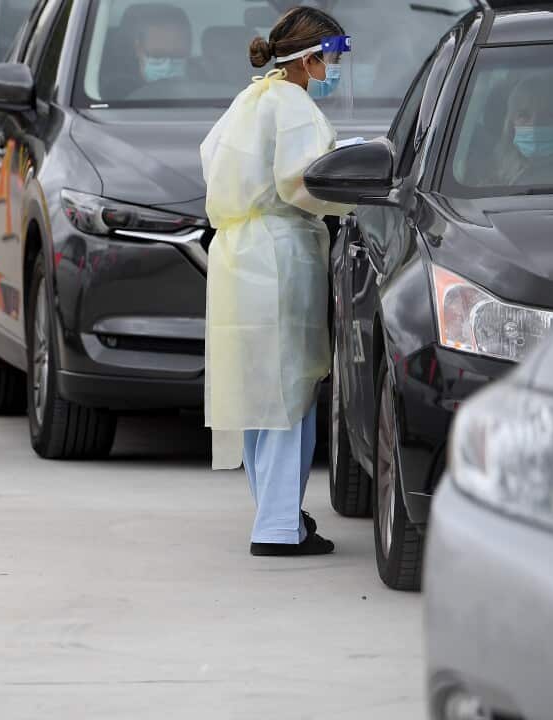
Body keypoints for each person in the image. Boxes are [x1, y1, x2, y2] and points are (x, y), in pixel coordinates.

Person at [199, 6, 354, 557]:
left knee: (257, 392)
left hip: (238, 255)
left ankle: (277, 513)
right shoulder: (294, 107)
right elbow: (302, 183)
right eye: (332, 57)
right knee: (291, 391)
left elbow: (213, 159)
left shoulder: (252, 98)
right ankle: (278, 527)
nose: (335, 68)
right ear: (310, 58)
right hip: (282, 253)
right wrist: (357, 202)